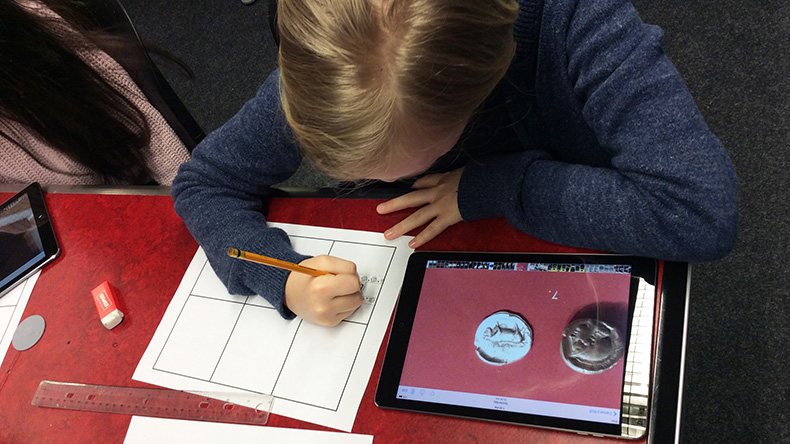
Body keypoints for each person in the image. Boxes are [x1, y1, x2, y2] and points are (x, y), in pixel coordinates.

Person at [172, 0, 738, 327]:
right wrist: (283, 277)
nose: (383, 184)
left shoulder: (580, 22)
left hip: (569, 248)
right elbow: (203, 183)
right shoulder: (332, 70)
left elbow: (698, 212)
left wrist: (491, 186)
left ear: (477, 90)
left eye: (408, 159)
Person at [0, 0, 191, 185]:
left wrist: (191, 196)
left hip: (131, 188)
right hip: (71, 211)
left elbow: (149, 132)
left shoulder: (36, 28)